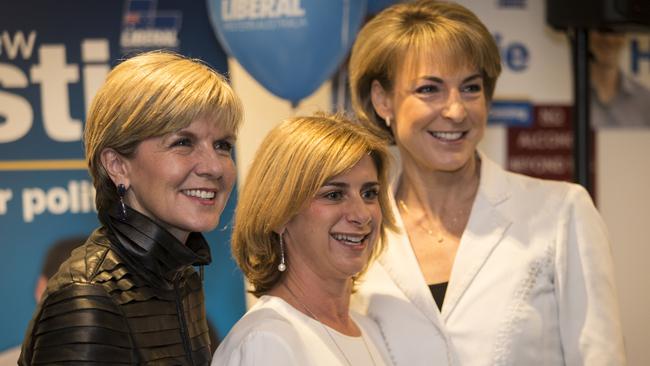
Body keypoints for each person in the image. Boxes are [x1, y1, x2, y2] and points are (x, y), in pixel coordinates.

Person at [347, 1, 626, 365]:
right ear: (383, 100)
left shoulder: (561, 212)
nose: (456, 110)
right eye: (430, 89)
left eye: (471, 88)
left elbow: (600, 357)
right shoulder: (358, 227)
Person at [19, 50, 243, 365]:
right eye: (183, 142)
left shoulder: (182, 280)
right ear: (117, 165)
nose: (214, 167)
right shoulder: (87, 297)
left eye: (222, 145)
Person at [213, 113, 396, 365]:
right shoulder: (266, 340)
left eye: (369, 193)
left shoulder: (369, 331)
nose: (362, 214)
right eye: (333, 195)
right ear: (279, 214)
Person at [590, 29, 650, 128]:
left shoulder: (645, 100)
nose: (609, 40)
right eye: (601, 31)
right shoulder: (570, 94)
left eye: (615, 31)